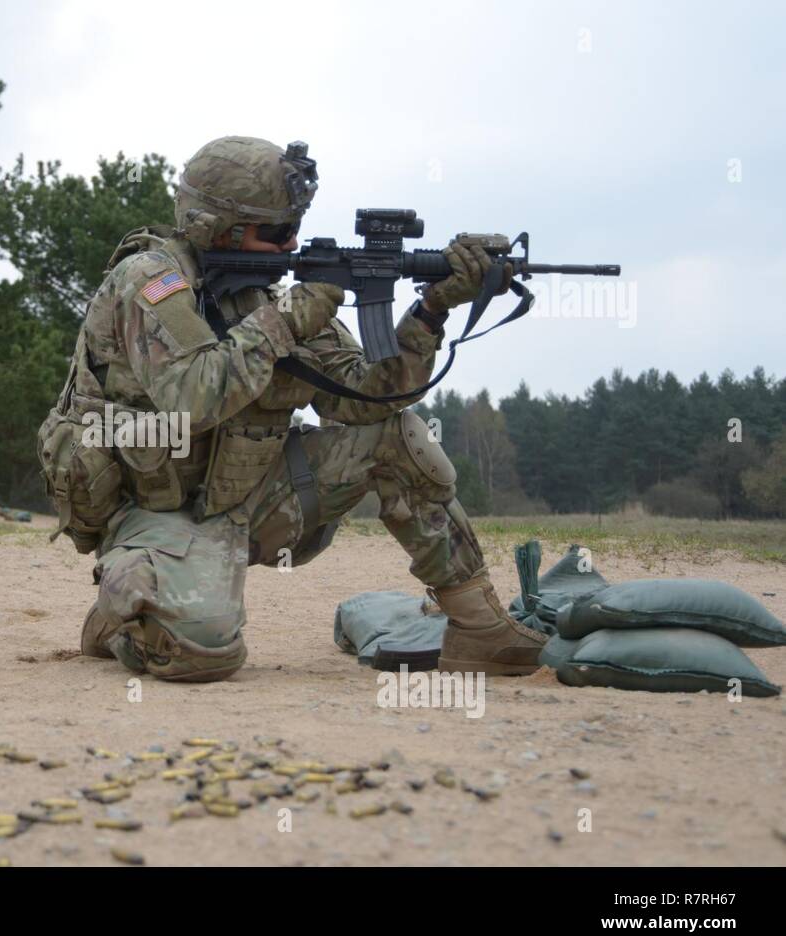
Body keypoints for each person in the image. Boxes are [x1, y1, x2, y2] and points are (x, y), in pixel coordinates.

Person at [38, 135, 545, 682]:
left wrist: (431, 309)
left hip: (249, 498)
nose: (292, 244)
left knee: (397, 436)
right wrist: (288, 320)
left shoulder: (268, 295)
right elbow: (193, 397)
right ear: (218, 228)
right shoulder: (151, 281)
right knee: (206, 656)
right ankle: (124, 618)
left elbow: (368, 396)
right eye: (277, 232)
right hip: (155, 509)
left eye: (295, 228)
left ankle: (478, 629)